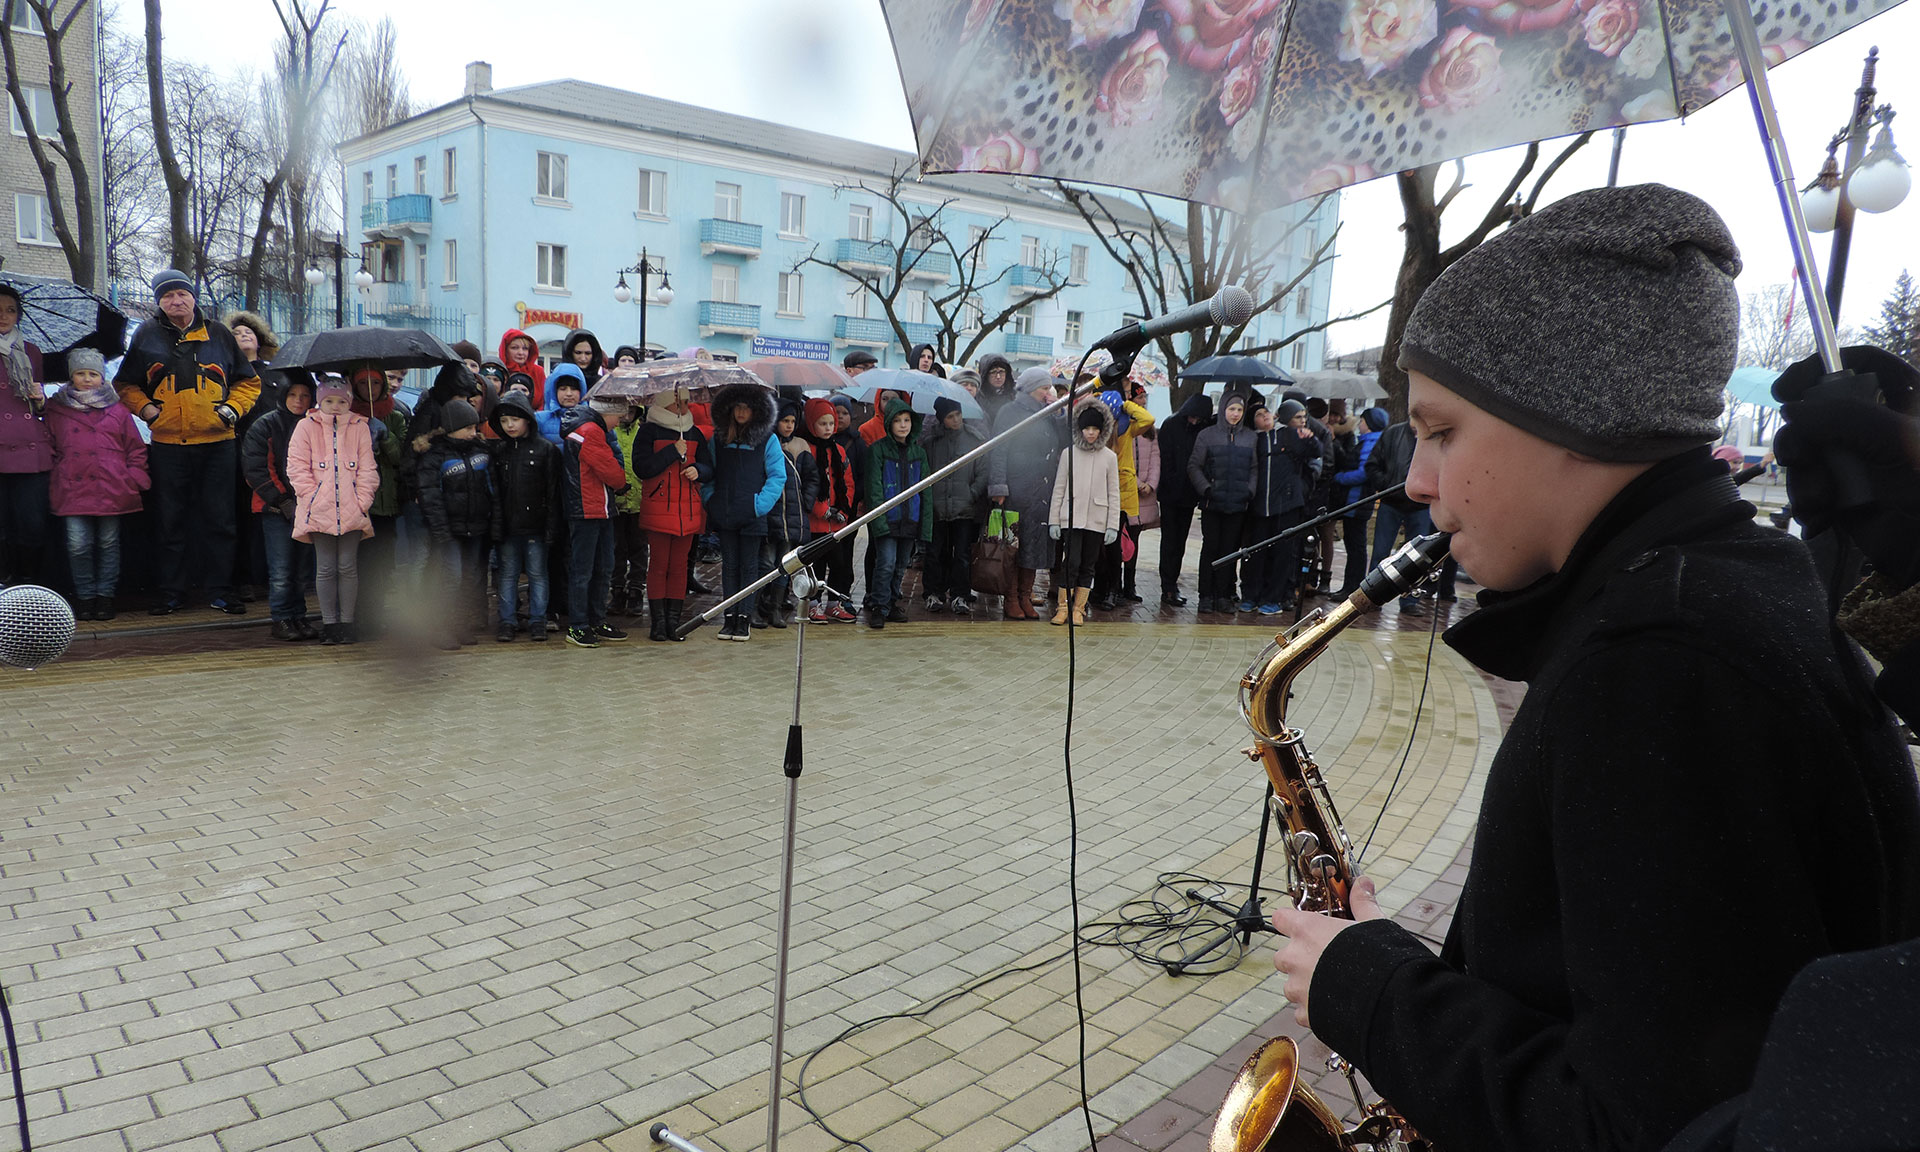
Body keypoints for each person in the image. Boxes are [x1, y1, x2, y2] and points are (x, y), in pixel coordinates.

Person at [1268, 184, 1920, 1152]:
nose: (1416, 480)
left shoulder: (1657, 665)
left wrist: (1370, 989)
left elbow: (1639, 1129)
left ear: (1574, 419)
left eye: (1443, 432)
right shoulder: (1728, 584)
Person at [115, 269, 262, 615]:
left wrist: (230, 411)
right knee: (170, 521)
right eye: (168, 296)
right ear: (159, 302)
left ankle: (221, 590)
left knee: (221, 520)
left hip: (218, 443)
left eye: (182, 294)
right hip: (168, 445)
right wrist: (148, 411)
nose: (176, 301)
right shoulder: (146, 334)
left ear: (194, 297)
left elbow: (249, 383)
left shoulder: (219, 333)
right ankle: (171, 592)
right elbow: (125, 384)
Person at [44, 349, 147, 620]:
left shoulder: (118, 409)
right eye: (81, 373)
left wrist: (133, 477)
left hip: (112, 486)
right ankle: (85, 596)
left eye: (93, 374)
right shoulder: (56, 409)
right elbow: (48, 445)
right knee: (77, 544)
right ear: (71, 377)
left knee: (108, 544)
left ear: (102, 377)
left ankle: (105, 597)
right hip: (72, 487)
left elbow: (135, 448)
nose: (87, 379)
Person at [288, 377, 379, 645]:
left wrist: (362, 500)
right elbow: (296, 466)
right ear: (320, 402)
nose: (335, 406)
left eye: (341, 401)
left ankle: (347, 623)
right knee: (326, 567)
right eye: (329, 401)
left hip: (352, 508)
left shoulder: (360, 427)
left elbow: (368, 468)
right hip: (319, 509)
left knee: (348, 566)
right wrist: (312, 497)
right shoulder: (306, 426)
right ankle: (329, 623)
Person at [704, 381, 784, 642]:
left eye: (746, 407)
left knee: (749, 567)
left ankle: (744, 617)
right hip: (725, 512)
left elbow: (777, 476)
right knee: (729, 567)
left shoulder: (767, 439)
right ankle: (729, 617)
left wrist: (758, 505)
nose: (741, 412)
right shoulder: (719, 439)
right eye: (737, 407)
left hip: (751, 514)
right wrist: (711, 500)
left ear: (756, 411)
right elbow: (709, 473)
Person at [242, 374, 317, 640]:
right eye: (293, 395)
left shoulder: (315, 425)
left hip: (309, 508)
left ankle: (299, 616)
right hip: (274, 510)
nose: (298, 401)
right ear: (283, 395)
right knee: (282, 569)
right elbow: (257, 468)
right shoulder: (266, 425)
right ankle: (281, 618)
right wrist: (282, 500)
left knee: (301, 569)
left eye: (305, 395)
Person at [634, 386, 712, 642]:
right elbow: (642, 467)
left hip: (687, 510)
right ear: (664, 404)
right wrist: (671, 452)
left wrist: (698, 470)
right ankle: (658, 624)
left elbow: (709, 467)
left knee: (679, 567)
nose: (684, 408)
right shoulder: (648, 431)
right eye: (679, 404)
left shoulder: (694, 432)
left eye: (686, 403)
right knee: (658, 566)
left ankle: (673, 623)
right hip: (659, 508)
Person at [988, 367, 1067, 620]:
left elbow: (1065, 441)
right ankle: (1011, 598)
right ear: (1032, 388)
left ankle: (1025, 596)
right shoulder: (1010, 412)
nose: (1048, 392)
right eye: (1044, 388)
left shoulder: (1048, 412)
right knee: (1014, 547)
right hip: (1016, 489)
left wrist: (1059, 414)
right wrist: (998, 486)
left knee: (1034, 546)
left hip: (1042, 490)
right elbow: (998, 449)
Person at [415, 398, 493, 650]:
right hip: (449, 531)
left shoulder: (480, 451)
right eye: (468, 428)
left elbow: (491, 489)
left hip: (476, 527)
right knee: (450, 579)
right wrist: (440, 530)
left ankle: (459, 624)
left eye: (474, 427)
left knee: (469, 578)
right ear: (451, 428)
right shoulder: (434, 456)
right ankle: (440, 628)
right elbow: (430, 495)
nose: (473, 432)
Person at [487, 390, 560, 643]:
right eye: (504, 421)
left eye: (515, 420)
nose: (509, 425)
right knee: (508, 574)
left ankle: (538, 620)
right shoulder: (499, 451)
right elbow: (495, 492)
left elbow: (553, 493)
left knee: (538, 574)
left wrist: (551, 527)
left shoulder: (545, 449)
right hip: (508, 527)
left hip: (536, 526)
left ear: (527, 419)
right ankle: (507, 621)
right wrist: (496, 525)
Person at [559, 395, 631, 648]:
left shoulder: (588, 428)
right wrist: (622, 483)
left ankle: (592, 621)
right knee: (588, 570)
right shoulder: (591, 431)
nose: (618, 423)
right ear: (607, 413)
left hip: (596, 507)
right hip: (588, 509)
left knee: (598, 568)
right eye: (618, 417)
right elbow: (609, 470)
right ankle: (580, 625)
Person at [348, 364, 410, 638]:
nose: (370, 390)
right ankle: (356, 618)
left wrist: (385, 437)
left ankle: (377, 617)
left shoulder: (394, 416)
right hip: (356, 504)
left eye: (375, 383)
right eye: (363, 384)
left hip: (386, 504)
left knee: (383, 563)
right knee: (359, 564)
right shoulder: (347, 416)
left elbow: (401, 458)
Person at [1244, 397, 1321, 614]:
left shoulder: (1292, 435)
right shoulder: (1255, 439)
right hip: (1260, 506)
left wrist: (1310, 438)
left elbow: (1317, 452)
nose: (1265, 416)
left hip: (1287, 505)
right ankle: (1251, 596)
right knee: (1257, 555)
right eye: (1259, 415)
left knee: (1283, 555)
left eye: (1266, 412)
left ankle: (1273, 599)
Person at [1047, 400, 1120, 625]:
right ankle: (1063, 608)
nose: (1090, 433)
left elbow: (1114, 493)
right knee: (1071, 562)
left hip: (1096, 519)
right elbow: (1059, 487)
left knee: (1089, 564)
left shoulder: (1109, 457)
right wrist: (1054, 520)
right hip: (1071, 517)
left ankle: (1078, 609)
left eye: (1095, 429)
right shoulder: (1069, 453)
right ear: (1080, 429)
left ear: (1102, 431)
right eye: (1087, 428)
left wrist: (1112, 525)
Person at [864, 398, 932, 629]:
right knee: (886, 563)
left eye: (907, 420)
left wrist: (924, 524)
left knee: (901, 564)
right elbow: (874, 488)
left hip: (910, 518)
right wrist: (879, 520)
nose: (903, 425)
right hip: (888, 519)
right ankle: (879, 606)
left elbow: (925, 490)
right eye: (897, 421)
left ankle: (892, 602)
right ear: (889, 424)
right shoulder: (878, 450)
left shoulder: (919, 453)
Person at [1187, 392, 1256, 613]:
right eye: (1231, 409)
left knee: (1230, 550)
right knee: (1210, 548)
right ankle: (1205, 595)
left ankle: (1223, 595)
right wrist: (1206, 489)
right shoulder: (1207, 435)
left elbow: (1254, 468)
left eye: (1239, 410)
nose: (1235, 414)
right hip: (1212, 503)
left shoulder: (1250, 437)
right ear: (1223, 409)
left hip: (1238, 504)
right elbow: (1194, 466)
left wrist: (1249, 490)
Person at [0, 283, 50, 588]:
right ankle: (4, 586)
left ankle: (29, 584)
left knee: (32, 524)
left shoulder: (31, 351)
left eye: (10, 310)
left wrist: (40, 399)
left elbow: (39, 408)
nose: (3, 316)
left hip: (31, 452)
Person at [759, 398, 824, 628]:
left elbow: (812, 477)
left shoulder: (800, 445)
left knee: (785, 564)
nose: (789, 425)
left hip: (793, 516)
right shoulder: (767, 443)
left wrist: (805, 502)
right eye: (784, 420)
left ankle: (776, 607)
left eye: (793, 421)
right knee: (766, 563)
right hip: (772, 513)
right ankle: (762, 603)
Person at [920, 395, 988, 614]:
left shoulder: (974, 439)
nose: (956, 420)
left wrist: (972, 493)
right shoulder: (931, 443)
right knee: (934, 553)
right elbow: (924, 472)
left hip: (964, 508)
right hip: (937, 507)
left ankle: (960, 594)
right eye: (950, 416)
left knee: (962, 554)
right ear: (942, 419)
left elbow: (983, 471)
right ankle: (933, 592)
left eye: (958, 414)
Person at [1093, 386, 1155, 609]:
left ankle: (1113, 590)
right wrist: (1098, 398)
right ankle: (1099, 589)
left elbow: (1148, 419)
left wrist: (1125, 404)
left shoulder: (1127, 428)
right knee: (1096, 545)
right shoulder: (1097, 428)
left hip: (1120, 492)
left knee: (1113, 545)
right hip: (1098, 489)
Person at [1155, 392, 1215, 607]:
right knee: (1169, 541)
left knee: (1180, 542)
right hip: (1170, 493)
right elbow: (1165, 456)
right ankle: (1167, 586)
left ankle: (1172, 582)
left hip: (1189, 494)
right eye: (1192, 417)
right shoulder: (1171, 424)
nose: (1194, 420)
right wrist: (1169, 481)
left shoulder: (1204, 429)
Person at [1331, 407, 1389, 597]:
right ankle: (1349, 586)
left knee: (1355, 546)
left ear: (1370, 424)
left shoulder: (1370, 443)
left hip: (1357, 501)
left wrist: (1339, 478)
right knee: (1354, 545)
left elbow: (1363, 473)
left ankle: (1352, 587)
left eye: (1362, 421)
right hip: (1357, 501)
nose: (1360, 425)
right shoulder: (1369, 441)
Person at [608, 396, 647, 621]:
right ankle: (617, 590)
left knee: (639, 548)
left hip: (639, 501)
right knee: (617, 548)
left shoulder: (642, 432)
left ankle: (636, 590)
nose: (626, 416)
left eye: (631, 412)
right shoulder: (610, 432)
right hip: (616, 501)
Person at [498, 327, 546, 406]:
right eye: (514, 348)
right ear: (505, 350)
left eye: (525, 348)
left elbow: (543, 402)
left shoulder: (538, 371)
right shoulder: (499, 371)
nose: (521, 353)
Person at [974, 353, 1015, 423]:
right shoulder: (977, 397)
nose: (998, 377)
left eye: (1001, 372)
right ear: (985, 374)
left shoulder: (1014, 395)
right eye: (993, 372)